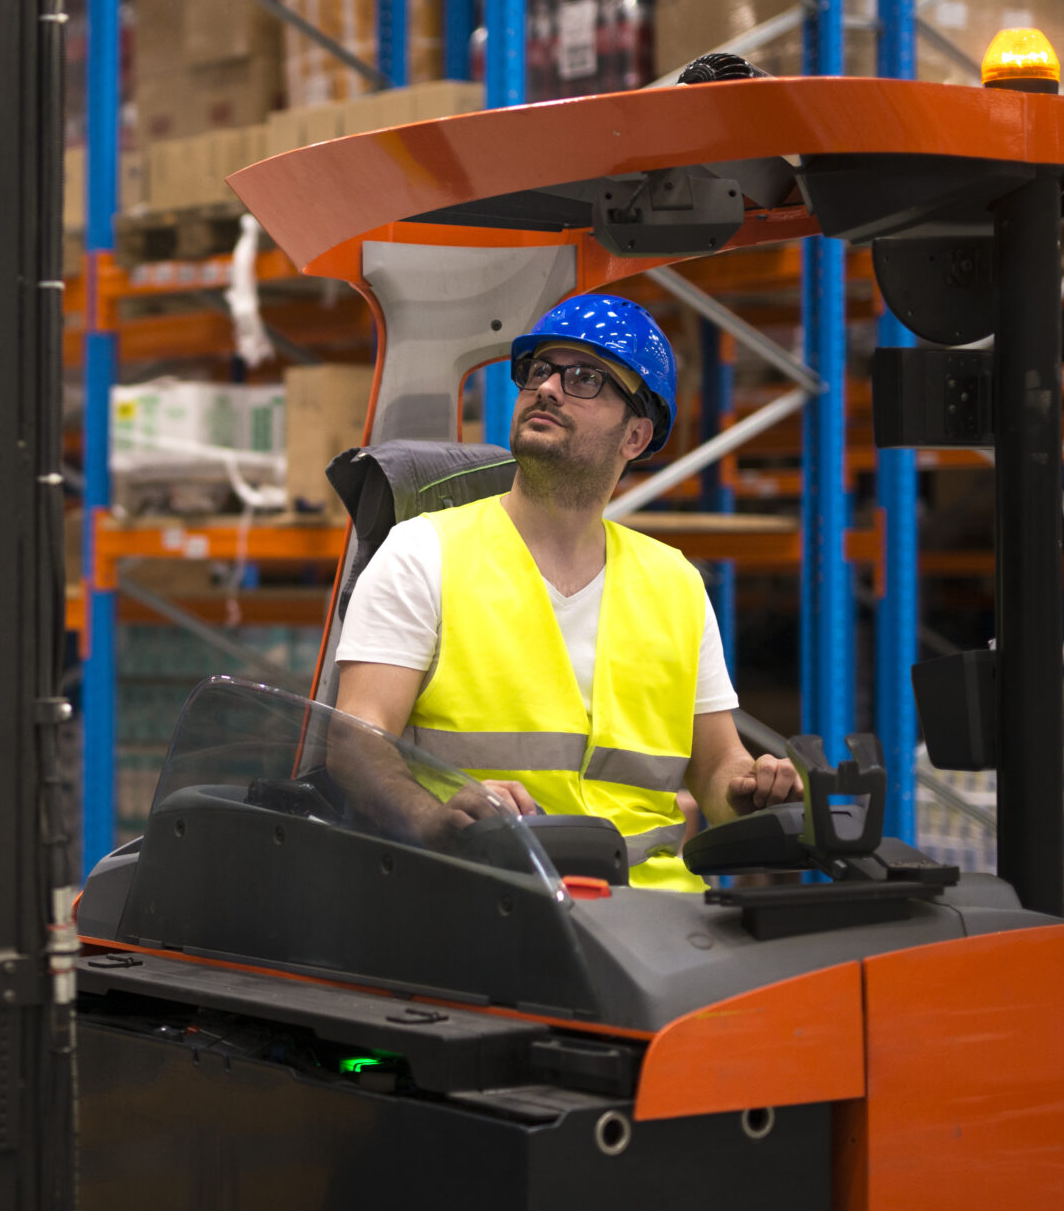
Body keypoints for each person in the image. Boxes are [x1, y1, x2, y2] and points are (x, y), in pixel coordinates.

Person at [330, 293, 802, 890]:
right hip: (485, 889)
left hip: (655, 917)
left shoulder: (675, 581)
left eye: (585, 378)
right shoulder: (425, 552)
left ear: (636, 436)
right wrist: (432, 820)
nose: (547, 388)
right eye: (538, 371)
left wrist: (752, 789)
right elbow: (354, 739)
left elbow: (716, 768)